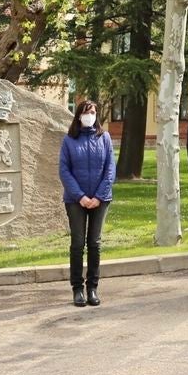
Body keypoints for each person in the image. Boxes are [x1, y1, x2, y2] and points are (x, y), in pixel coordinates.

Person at [59, 100, 116, 307]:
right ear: (78, 116)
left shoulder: (105, 138)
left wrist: (99, 196)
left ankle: (92, 287)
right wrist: (81, 196)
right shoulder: (69, 140)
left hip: (100, 199)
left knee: (94, 243)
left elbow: (110, 169)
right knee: (77, 243)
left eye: (92, 112)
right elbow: (64, 171)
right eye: (85, 112)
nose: (89, 115)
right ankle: (77, 289)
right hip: (76, 200)